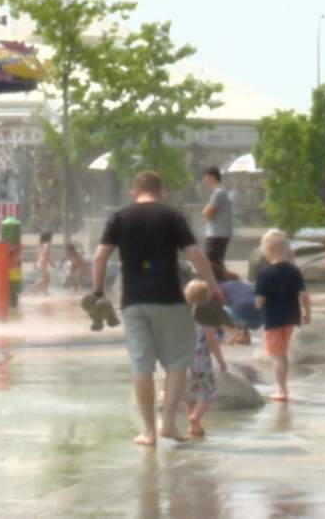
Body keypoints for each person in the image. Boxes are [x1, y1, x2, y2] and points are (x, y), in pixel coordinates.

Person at [89, 170, 223, 446]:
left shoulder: (120, 217)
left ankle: (148, 431)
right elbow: (196, 254)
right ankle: (169, 423)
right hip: (170, 299)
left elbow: (100, 256)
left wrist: (98, 292)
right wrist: (212, 285)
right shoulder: (172, 215)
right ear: (160, 193)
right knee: (177, 362)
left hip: (133, 301)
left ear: (133, 192)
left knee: (142, 365)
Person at [255, 229, 312, 402]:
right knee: (282, 353)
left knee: (277, 356)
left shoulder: (265, 274)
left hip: (273, 319)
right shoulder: (294, 270)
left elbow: (260, 301)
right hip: (290, 317)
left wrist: (256, 305)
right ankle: (283, 387)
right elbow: (303, 295)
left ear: (268, 250)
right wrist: (307, 312)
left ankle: (281, 389)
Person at [183, 279, 228, 437]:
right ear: (205, 296)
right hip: (200, 360)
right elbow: (210, 339)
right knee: (208, 393)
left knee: (189, 393)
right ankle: (195, 417)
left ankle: (194, 427)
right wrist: (221, 361)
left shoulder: (183, 313)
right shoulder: (206, 315)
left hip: (182, 360)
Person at [212, 261, 261, 344]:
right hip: (260, 319)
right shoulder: (237, 282)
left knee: (211, 309)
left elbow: (216, 311)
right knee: (239, 307)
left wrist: (218, 334)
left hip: (242, 318)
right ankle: (245, 335)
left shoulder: (217, 288)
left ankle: (235, 334)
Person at [201, 166, 233, 266]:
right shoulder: (220, 192)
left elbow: (208, 213)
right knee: (217, 263)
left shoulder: (219, 193)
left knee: (211, 264)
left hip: (216, 235)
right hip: (220, 234)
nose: (204, 180)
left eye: (205, 177)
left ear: (212, 177)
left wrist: (206, 213)